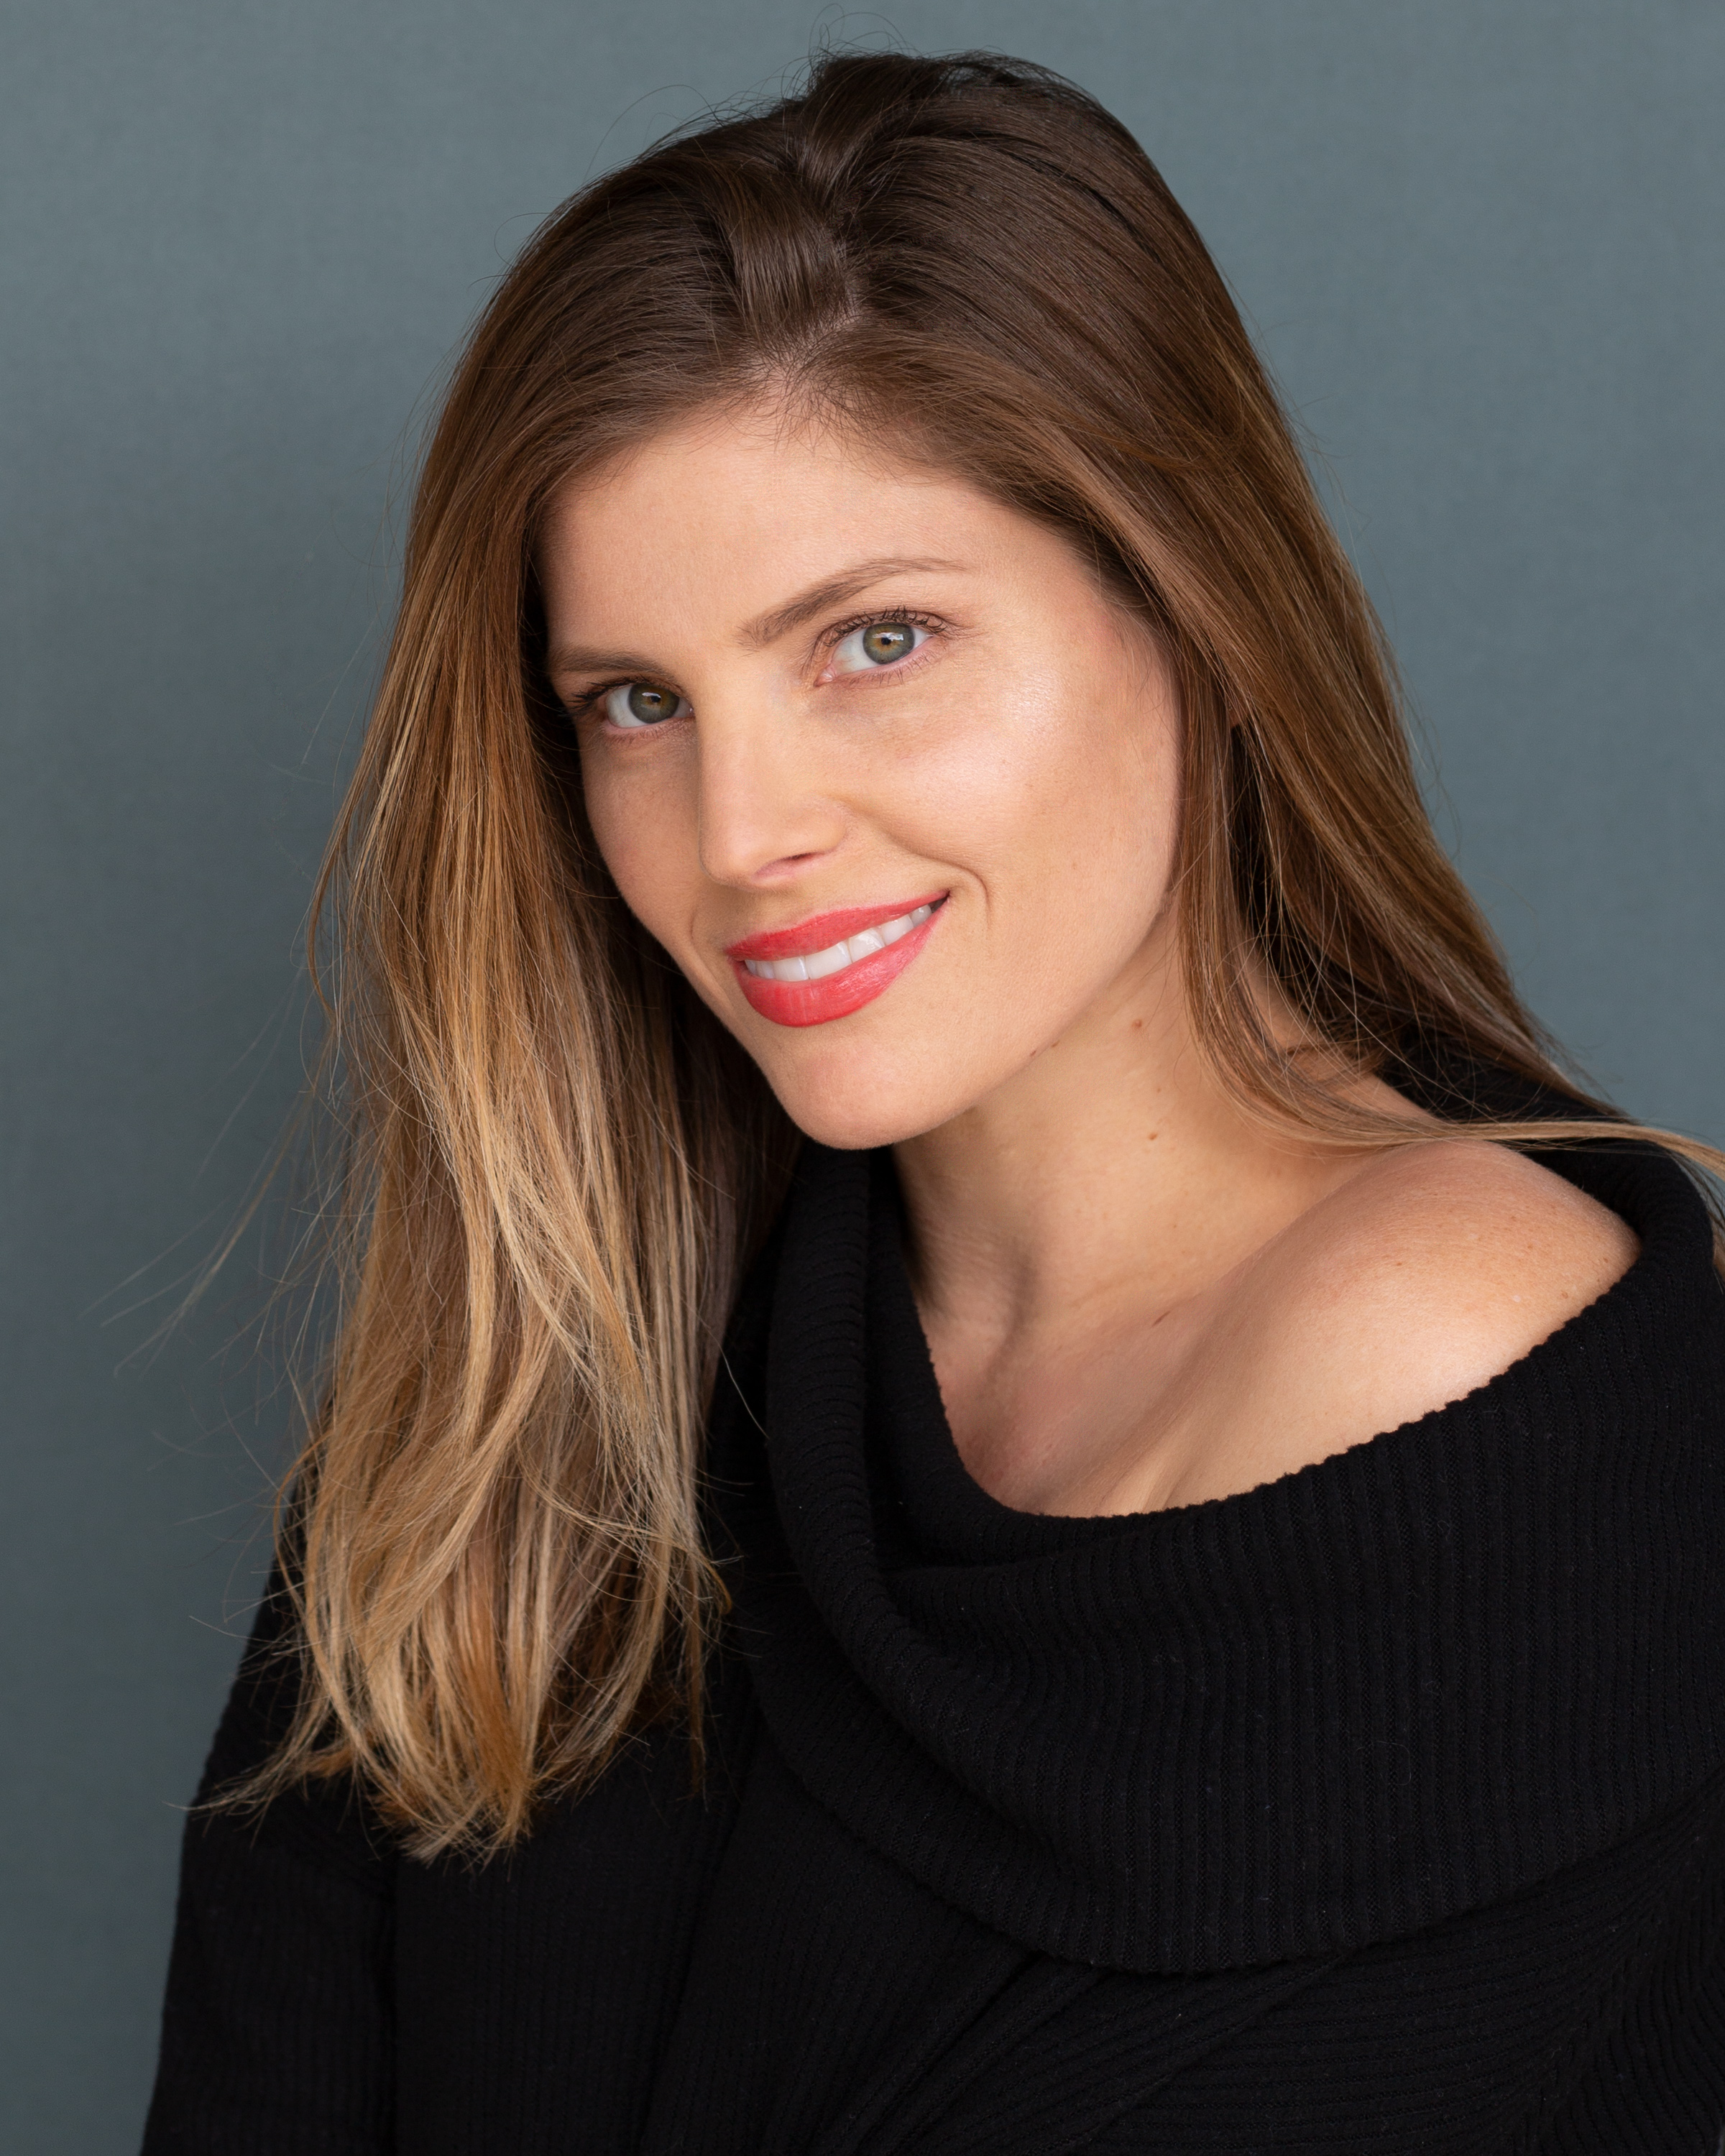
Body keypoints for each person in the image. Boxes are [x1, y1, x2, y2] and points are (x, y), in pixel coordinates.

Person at [142, 50, 1725, 2155]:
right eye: (638, 702)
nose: (740, 835)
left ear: (1197, 609)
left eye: (877, 641)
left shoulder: (1492, 1390)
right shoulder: (539, 1413)